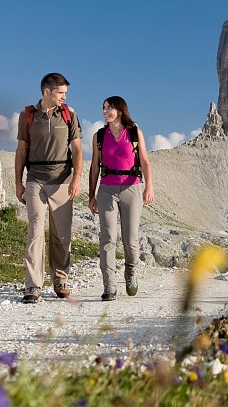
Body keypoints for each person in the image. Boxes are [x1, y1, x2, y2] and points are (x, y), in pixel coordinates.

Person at [16, 73, 83, 304]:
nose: (64, 97)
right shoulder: (27, 116)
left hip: (63, 181)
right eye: (61, 93)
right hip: (35, 180)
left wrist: (76, 180)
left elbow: (77, 150)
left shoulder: (69, 115)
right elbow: (21, 151)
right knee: (35, 232)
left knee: (61, 236)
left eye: (65, 93)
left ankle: (60, 280)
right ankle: (33, 286)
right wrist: (18, 183)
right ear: (47, 92)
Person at [88, 96, 154, 301]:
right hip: (107, 189)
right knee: (107, 237)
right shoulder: (99, 136)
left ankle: (131, 272)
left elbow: (144, 160)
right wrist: (91, 194)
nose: (105, 111)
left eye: (109, 108)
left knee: (130, 239)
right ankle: (109, 285)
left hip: (132, 188)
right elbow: (94, 167)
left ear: (120, 110)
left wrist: (148, 187)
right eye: (103, 108)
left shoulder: (134, 132)